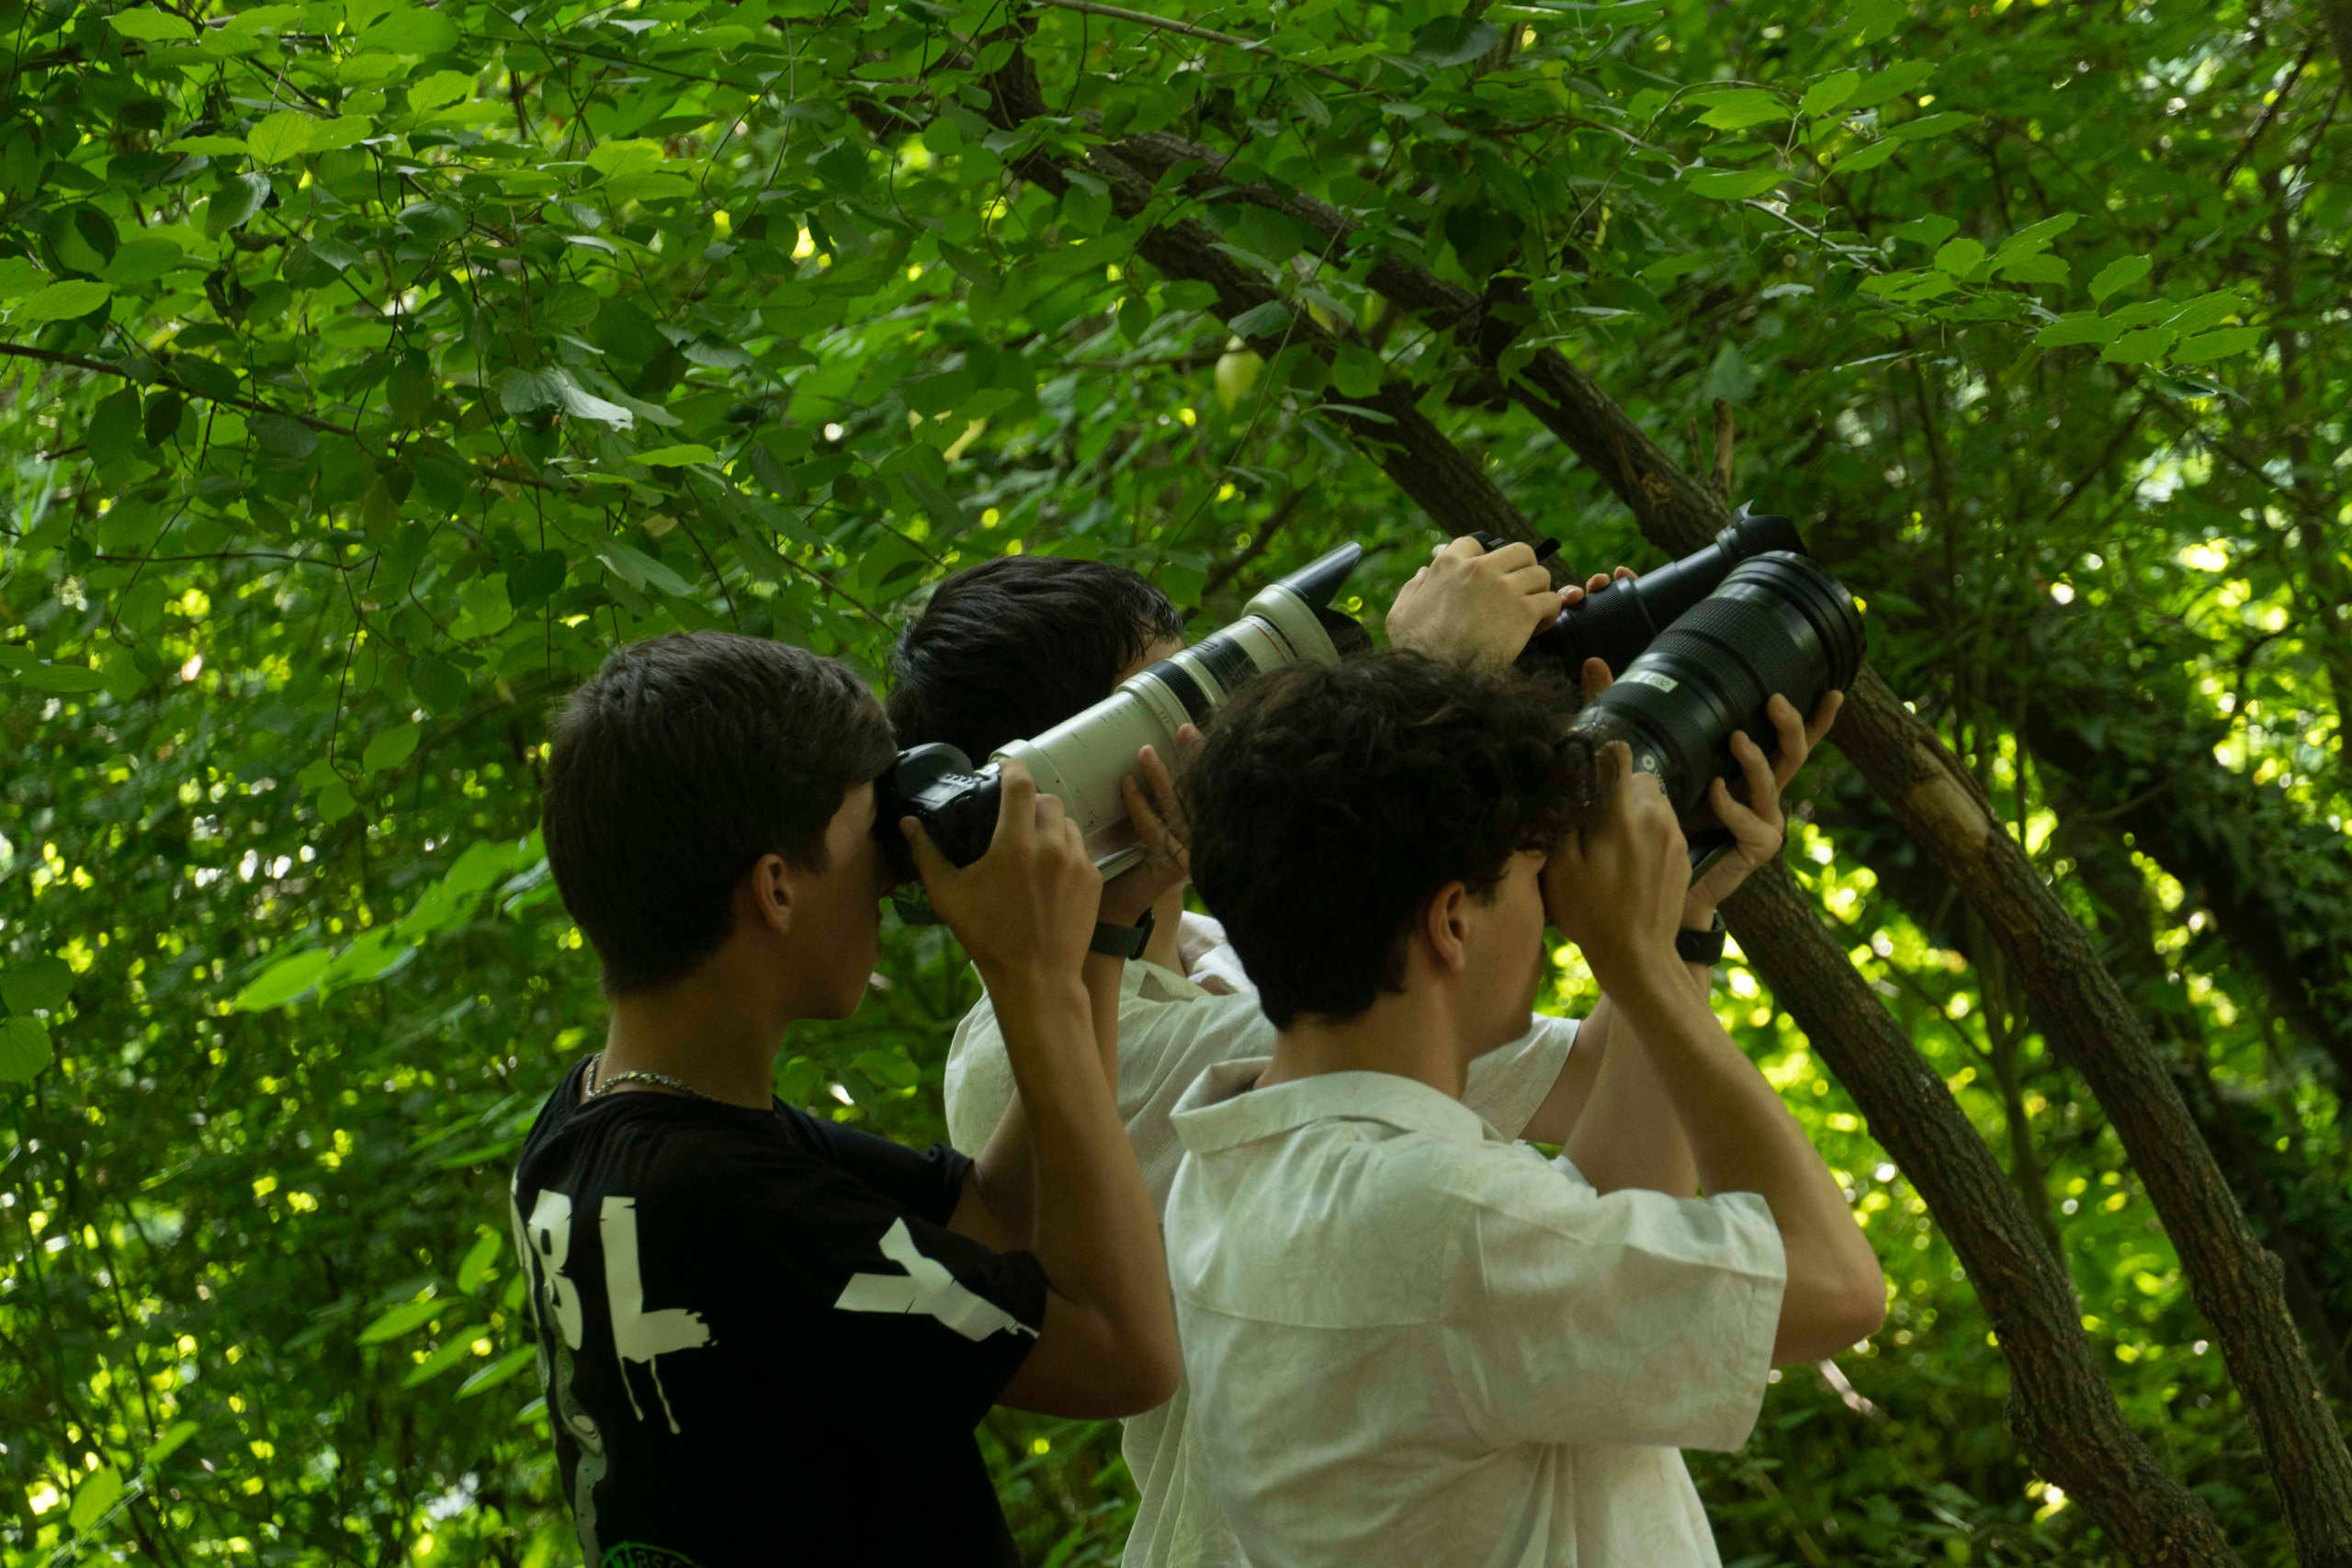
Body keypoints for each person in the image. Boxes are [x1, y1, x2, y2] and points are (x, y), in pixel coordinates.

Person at [888, 540, 1752, 1567]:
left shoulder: (1216, 951)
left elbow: (1617, 1109)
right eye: (1167, 698)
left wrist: (1660, 807)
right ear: (1068, 774)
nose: (1214, 722)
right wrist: (1437, 691)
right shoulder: (1037, 1043)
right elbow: (1587, 1088)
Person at [1165, 649, 1884, 1568]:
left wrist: (1680, 924)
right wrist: (1638, 963)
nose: (1553, 914)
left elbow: (1604, 1216)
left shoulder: (1235, 1169)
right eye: (1535, 877)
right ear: (1451, 923)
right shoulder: (1442, 1220)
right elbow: (1833, 1286)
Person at [512, 631, 1179, 1568]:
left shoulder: (598, 1127)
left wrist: (1100, 934)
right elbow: (1126, 1355)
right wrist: (1032, 981)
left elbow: (992, 1217)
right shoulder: (721, 1202)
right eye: (870, 831)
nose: (892, 867)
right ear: (776, 890)